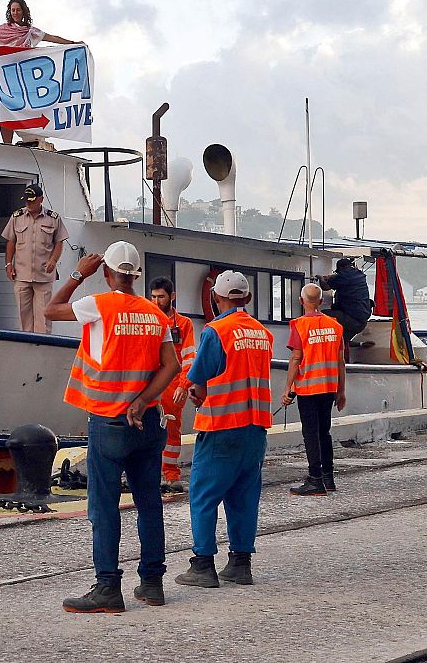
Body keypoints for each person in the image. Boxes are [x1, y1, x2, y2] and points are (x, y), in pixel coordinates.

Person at [46, 241, 180, 613]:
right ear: (136, 274)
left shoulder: (98, 305)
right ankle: (152, 584)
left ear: (106, 273)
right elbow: (171, 367)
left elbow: (50, 309)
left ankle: (107, 588)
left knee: (104, 509)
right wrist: (141, 400)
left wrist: (77, 275)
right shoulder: (156, 314)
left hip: (108, 422)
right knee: (149, 504)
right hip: (148, 421)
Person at [175, 270, 274, 589]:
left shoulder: (216, 331)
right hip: (255, 428)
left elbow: (200, 373)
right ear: (247, 298)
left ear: (216, 298)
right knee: (244, 497)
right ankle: (240, 564)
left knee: (203, 496)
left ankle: (203, 565)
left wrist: (196, 390)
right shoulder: (263, 333)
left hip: (221, 426)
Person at [0, 0, 77, 144]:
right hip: (7, 76)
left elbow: (50, 37)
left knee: (27, 108)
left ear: (23, 11)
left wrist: (72, 43)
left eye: (18, 10)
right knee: (5, 110)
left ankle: (33, 138)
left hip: (26, 77)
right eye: (12, 10)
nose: (15, 13)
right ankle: (7, 144)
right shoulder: (4, 29)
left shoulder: (30, 31)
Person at [282, 284, 348, 496]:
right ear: (321, 302)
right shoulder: (335, 327)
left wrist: (287, 389)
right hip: (329, 387)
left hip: (309, 388)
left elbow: (295, 359)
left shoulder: (299, 325)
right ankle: (328, 478)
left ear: (301, 301)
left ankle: (314, 479)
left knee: (311, 434)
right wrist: (341, 391)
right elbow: (341, 362)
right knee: (324, 432)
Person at [148, 277, 197, 493]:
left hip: (173, 385)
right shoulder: (148, 320)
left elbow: (189, 357)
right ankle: (148, 473)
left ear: (172, 297)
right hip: (149, 382)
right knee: (145, 428)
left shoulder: (184, 324)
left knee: (171, 430)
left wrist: (183, 386)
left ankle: (170, 474)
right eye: (153, 297)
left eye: (161, 297)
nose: (157, 301)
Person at [1, 184, 68, 333]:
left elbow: (59, 241)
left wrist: (53, 260)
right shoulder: (17, 217)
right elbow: (11, 241)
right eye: (26, 201)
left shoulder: (53, 218)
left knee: (44, 317)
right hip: (22, 274)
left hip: (43, 275)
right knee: (23, 317)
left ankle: (42, 348)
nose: (28, 203)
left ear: (41, 199)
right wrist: (8, 264)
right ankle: (26, 347)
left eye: (32, 200)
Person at [316, 257, 372, 344]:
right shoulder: (359, 274)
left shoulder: (343, 277)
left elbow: (325, 287)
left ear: (341, 269)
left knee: (319, 315)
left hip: (352, 319)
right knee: (341, 342)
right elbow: (342, 277)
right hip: (362, 321)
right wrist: (331, 276)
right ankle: (358, 344)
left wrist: (321, 279)